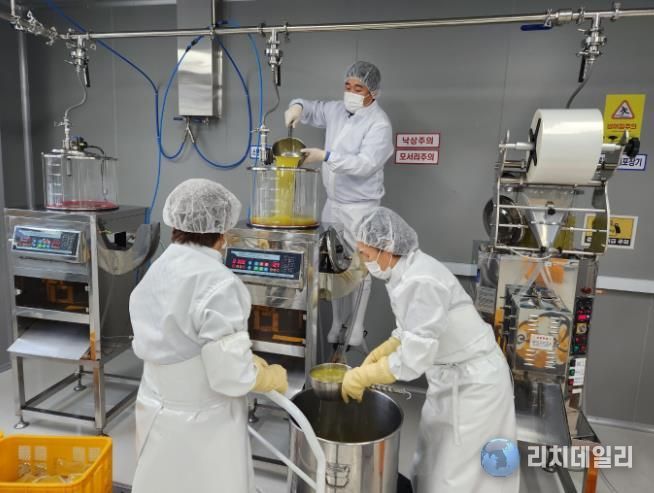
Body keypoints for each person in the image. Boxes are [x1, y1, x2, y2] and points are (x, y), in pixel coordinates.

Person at [341, 207, 519, 493]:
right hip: (450, 377)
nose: (363, 261)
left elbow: (413, 360)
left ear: (387, 248)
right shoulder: (403, 273)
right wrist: (383, 351)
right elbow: (412, 330)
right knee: (432, 462)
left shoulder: (420, 281)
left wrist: (364, 376)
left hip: (474, 385)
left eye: (366, 253)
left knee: (459, 475)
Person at [129, 178, 288, 493]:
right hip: (203, 421)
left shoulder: (157, 268)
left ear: (176, 222)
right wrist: (267, 377)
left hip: (154, 407)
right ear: (223, 232)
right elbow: (229, 376)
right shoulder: (219, 283)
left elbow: (179, 341)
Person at [284, 61, 394, 347]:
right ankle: (336, 323)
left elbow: (365, 164)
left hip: (361, 207)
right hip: (333, 203)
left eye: (359, 88)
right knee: (331, 263)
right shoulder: (336, 110)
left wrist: (326, 156)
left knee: (360, 266)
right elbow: (311, 107)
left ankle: (356, 327)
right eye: (348, 85)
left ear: (373, 92)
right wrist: (297, 108)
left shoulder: (379, 124)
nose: (351, 92)